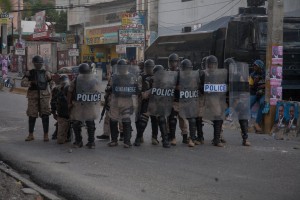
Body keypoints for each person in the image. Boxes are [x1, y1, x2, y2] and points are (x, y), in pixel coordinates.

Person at [67, 63, 101, 149]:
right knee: (77, 123)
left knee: (89, 123)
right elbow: (70, 92)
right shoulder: (76, 80)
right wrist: (69, 103)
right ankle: (81, 141)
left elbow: (97, 92)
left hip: (87, 104)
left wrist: (69, 103)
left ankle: (90, 142)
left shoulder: (92, 80)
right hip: (79, 104)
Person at [108, 59, 138, 148]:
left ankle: (127, 141)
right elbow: (110, 87)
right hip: (115, 100)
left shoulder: (132, 77)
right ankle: (114, 140)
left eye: (123, 67)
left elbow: (136, 89)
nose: (121, 69)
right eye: (120, 68)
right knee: (113, 120)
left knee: (126, 120)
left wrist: (134, 103)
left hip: (126, 100)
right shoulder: (114, 76)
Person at [21, 55, 52, 142]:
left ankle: (46, 135)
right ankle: (31, 135)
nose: (39, 65)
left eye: (40, 63)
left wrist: (54, 90)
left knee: (45, 116)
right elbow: (23, 83)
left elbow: (51, 83)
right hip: (33, 97)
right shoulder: (29, 73)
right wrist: (30, 83)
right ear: (34, 63)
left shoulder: (46, 73)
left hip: (44, 96)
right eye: (37, 63)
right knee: (32, 116)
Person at [225, 58, 251, 146]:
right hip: (224, 99)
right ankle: (218, 137)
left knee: (243, 116)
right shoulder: (223, 76)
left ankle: (245, 138)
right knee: (218, 117)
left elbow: (243, 88)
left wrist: (238, 99)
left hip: (235, 99)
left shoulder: (238, 75)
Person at [202, 55, 227, 147]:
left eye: (213, 64)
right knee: (197, 118)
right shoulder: (202, 74)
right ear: (207, 64)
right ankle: (198, 137)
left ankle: (217, 139)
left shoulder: (219, 75)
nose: (211, 66)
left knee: (218, 117)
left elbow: (223, 86)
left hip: (214, 98)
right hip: (203, 98)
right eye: (210, 64)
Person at [133, 59, 159, 146]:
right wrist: (142, 93)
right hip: (144, 101)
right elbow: (138, 89)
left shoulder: (157, 76)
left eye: (150, 67)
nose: (149, 69)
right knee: (142, 120)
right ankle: (139, 137)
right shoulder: (141, 77)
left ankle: (154, 137)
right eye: (147, 67)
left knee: (155, 120)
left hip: (155, 101)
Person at [167, 53, 189, 146]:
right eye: (171, 61)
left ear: (178, 62)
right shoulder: (166, 73)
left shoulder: (181, 73)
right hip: (171, 100)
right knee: (171, 119)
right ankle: (172, 137)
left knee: (183, 120)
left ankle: (185, 137)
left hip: (181, 99)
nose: (173, 63)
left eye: (174, 61)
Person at [96, 58, 120, 140]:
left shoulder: (120, 75)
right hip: (111, 99)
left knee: (118, 118)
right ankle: (106, 134)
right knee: (108, 117)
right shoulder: (113, 75)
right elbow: (108, 87)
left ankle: (122, 134)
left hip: (117, 100)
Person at [51, 75, 71, 144]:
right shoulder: (56, 89)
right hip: (62, 113)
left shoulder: (72, 88)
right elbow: (53, 101)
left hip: (71, 113)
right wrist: (53, 112)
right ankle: (58, 132)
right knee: (60, 140)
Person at [249, 60, 265, 133]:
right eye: (254, 65)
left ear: (260, 67)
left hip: (263, 93)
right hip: (254, 93)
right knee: (248, 104)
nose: (254, 67)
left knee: (262, 103)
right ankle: (247, 124)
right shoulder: (252, 75)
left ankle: (257, 123)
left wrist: (263, 86)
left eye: (256, 66)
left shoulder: (265, 74)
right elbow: (250, 86)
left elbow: (269, 83)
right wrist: (254, 83)